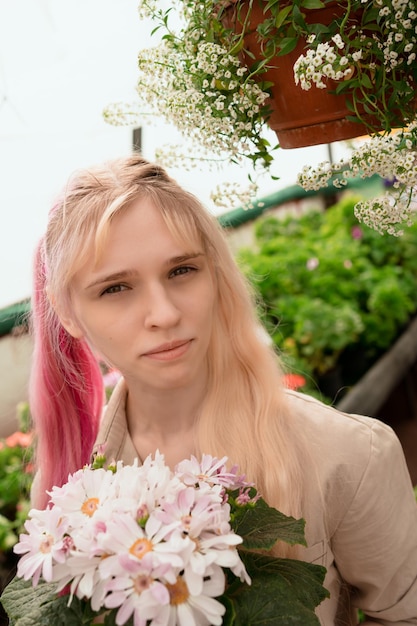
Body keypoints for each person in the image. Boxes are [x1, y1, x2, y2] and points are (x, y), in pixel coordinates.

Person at [29, 155, 417, 624]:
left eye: (181, 271)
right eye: (115, 288)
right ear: (66, 312)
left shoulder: (348, 456)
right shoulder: (67, 487)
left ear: (216, 273)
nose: (165, 314)